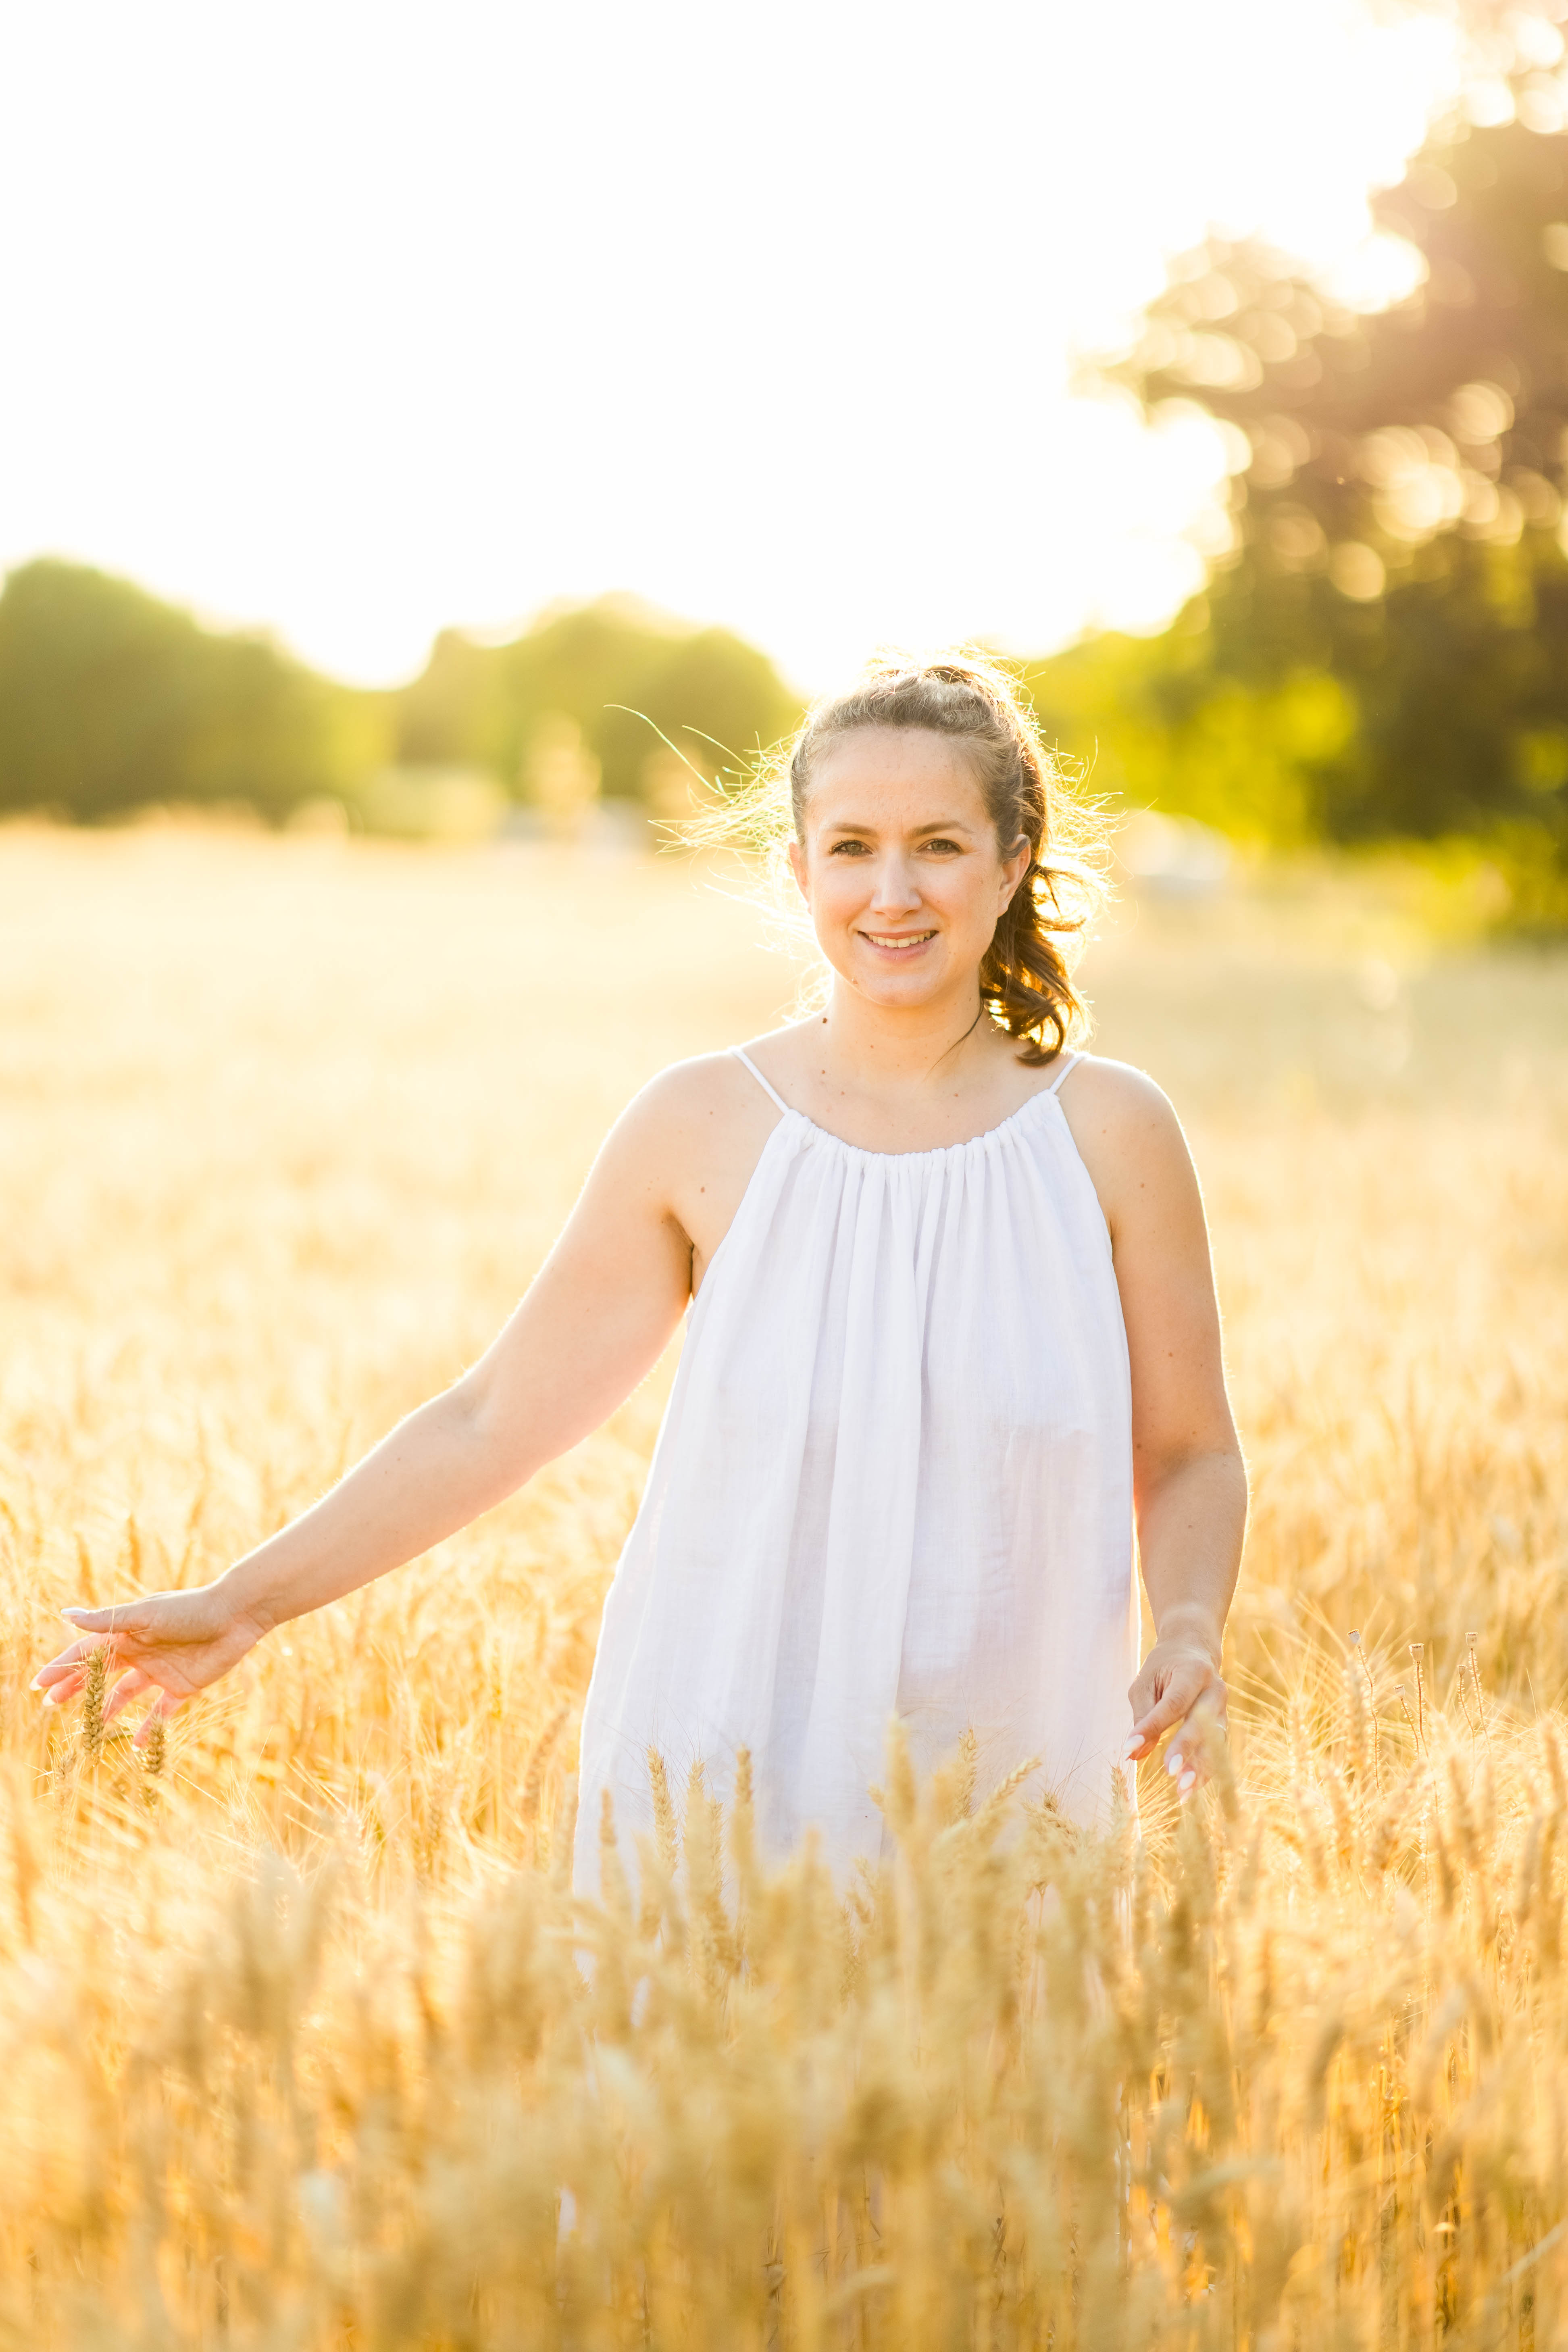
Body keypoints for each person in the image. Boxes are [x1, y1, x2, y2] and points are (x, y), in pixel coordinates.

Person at [33, 652, 1246, 1890]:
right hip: (716, 1785)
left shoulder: (1108, 1135)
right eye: (849, 847)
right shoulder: (702, 1126)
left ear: (1011, 858)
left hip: (1009, 1808)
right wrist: (249, 1600)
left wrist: (1191, 1625)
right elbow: (492, 1418)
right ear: (797, 867)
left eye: (937, 843)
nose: (891, 892)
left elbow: (1192, 1449)